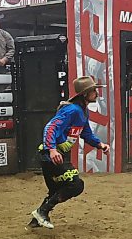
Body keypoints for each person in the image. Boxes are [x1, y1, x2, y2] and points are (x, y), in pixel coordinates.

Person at [28, 76, 110, 229]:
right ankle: (41, 212)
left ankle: (36, 219)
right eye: (93, 90)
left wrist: (100, 145)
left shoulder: (82, 112)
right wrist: (52, 149)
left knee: (56, 189)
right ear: (85, 94)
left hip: (53, 154)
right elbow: (50, 127)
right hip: (50, 154)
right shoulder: (72, 110)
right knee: (76, 184)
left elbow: (86, 134)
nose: (96, 93)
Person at [0, 12, 15, 91]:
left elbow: (12, 49)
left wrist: (4, 59)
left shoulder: (5, 35)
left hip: (0, 66)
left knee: (0, 90)